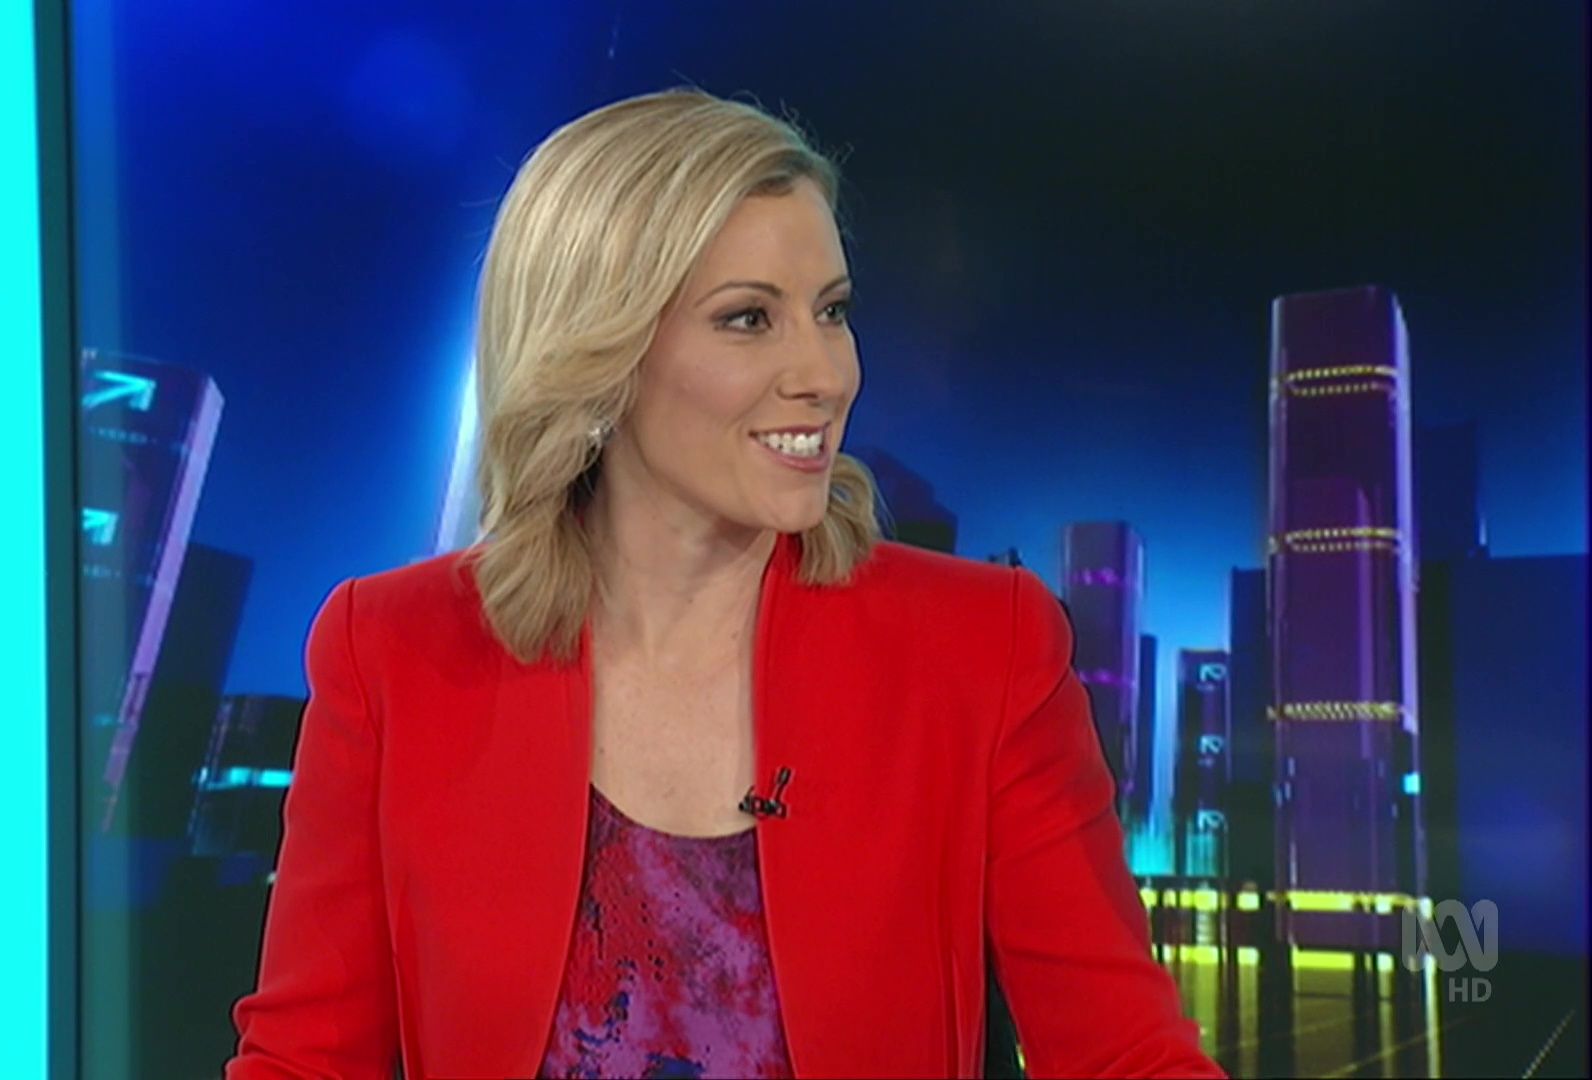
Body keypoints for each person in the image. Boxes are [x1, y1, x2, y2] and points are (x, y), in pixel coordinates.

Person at [225, 88, 1228, 1080]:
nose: (826, 374)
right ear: (599, 353)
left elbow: (1126, 1056)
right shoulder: (391, 650)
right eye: (749, 318)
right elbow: (305, 1063)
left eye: (832, 312)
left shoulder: (985, 649)